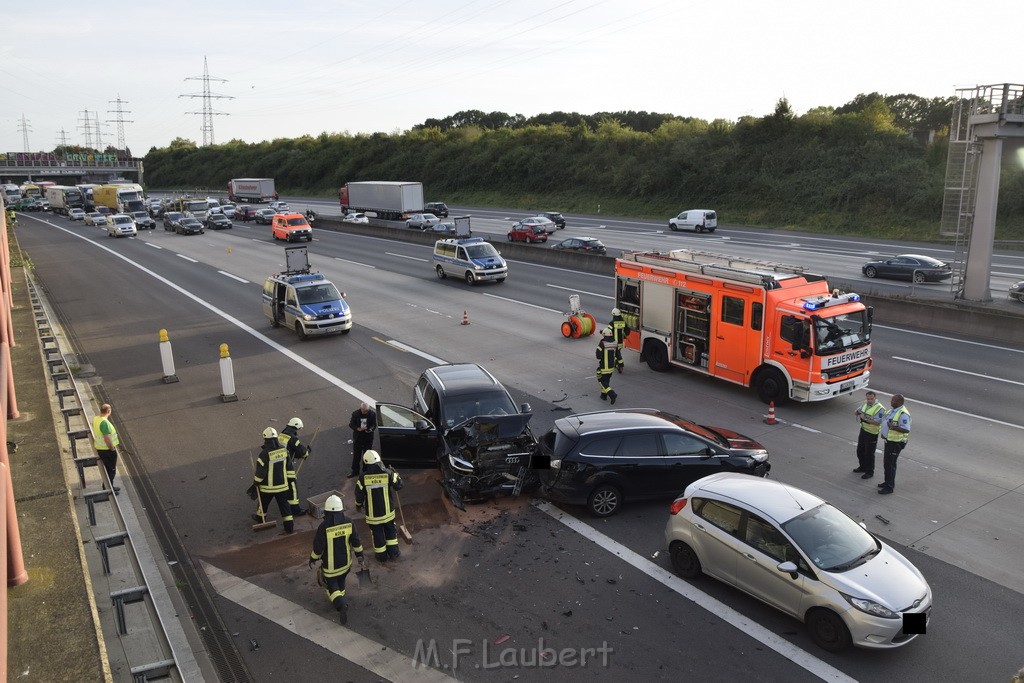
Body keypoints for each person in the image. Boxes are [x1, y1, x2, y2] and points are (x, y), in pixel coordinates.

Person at [309, 494, 364, 625]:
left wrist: (313, 559)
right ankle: (341, 596)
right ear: (341, 510)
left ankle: (341, 604)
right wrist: (360, 555)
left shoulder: (323, 527)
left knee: (331, 586)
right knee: (341, 581)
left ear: (326, 511)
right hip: (346, 565)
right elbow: (356, 541)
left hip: (330, 568)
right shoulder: (349, 522)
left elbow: (318, 547)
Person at [354, 450, 403, 563]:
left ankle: (382, 557)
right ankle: (394, 553)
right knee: (391, 531)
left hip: (373, 516)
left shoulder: (363, 478)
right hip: (388, 513)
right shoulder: (388, 473)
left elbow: (359, 494)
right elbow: (399, 486)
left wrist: (358, 505)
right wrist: (396, 474)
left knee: (377, 534)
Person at [251, 427, 295, 532]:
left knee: (263, 504)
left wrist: (256, 482)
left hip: (267, 488)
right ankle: (289, 528)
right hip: (282, 486)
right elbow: (289, 467)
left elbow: (260, 473)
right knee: (285, 508)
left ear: (265, 439)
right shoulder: (284, 450)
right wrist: (291, 480)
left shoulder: (264, 454)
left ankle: (261, 520)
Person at [878, 395, 911, 495]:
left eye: (893, 400)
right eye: (891, 399)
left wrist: (893, 427)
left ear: (899, 402)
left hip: (896, 444)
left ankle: (889, 487)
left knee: (891, 465)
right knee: (886, 464)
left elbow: (906, 429)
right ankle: (887, 482)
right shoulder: (893, 410)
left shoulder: (903, 414)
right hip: (889, 441)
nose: (891, 401)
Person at [278, 417, 311, 516]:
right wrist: (307, 451)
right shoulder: (293, 438)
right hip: (287, 465)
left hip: (278, 464)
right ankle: (295, 510)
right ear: (296, 427)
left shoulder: (281, 435)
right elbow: (301, 451)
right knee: (292, 487)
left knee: (283, 486)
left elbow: (290, 450)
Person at [852, 391, 885, 479]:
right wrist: (857, 413)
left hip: (872, 433)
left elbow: (877, 422)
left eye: (871, 399)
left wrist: (865, 418)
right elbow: (856, 412)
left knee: (869, 454)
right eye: (868, 399)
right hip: (863, 430)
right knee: (860, 450)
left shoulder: (880, 408)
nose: (869, 400)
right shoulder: (864, 405)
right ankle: (862, 467)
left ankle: (870, 472)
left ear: (875, 398)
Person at [91, 403, 121, 494]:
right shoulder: (104, 423)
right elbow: (107, 438)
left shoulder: (96, 419)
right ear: (109, 411)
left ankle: (109, 487)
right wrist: (112, 448)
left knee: (108, 470)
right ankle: (109, 490)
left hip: (100, 449)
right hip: (107, 451)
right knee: (111, 470)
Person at [348, 403, 377, 479]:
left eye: (366, 411)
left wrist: (370, 429)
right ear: (361, 409)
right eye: (364, 411)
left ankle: (365, 471)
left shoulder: (372, 414)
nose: (365, 412)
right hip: (358, 437)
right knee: (356, 455)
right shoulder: (355, 414)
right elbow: (351, 424)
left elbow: (374, 424)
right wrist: (357, 428)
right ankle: (355, 471)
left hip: (368, 437)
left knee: (367, 455)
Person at [595, 326, 618, 404]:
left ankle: (612, 394)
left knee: (601, 381)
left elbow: (598, 356)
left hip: (604, 367)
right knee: (606, 381)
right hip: (611, 367)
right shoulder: (615, 342)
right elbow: (617, 354)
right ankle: (603, 396)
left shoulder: (602, 343)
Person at [610, 308, 626, 373]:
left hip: (614, 342)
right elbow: (627, 331)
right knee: (617, 353)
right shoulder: (623, 322)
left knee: (616, 354)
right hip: (620, 343)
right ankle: (616, 364)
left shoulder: (612, 323)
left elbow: (608, 332)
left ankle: (621, 365)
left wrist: (602, 332)